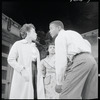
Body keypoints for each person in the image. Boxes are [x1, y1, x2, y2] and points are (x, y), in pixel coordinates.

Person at [49, 20, 98, 99]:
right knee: (90, 95)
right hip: (91, 60)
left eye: (51, 28)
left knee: (66, 95)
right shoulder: (73, 33)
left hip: (80, 62)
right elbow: (87, 43)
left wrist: (59, 82)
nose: (49, 31)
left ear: (59, 28)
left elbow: (61, 62)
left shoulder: (60, 37)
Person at [7, 23, 45, 99]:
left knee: (35, 95)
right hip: (24, 76)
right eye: (34, 32)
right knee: (23, 95)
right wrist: (22, 70)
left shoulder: (35, 48)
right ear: (28, 33)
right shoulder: (18, 44)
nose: (36, 34)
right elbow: (10, 59)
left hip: (35, 76)